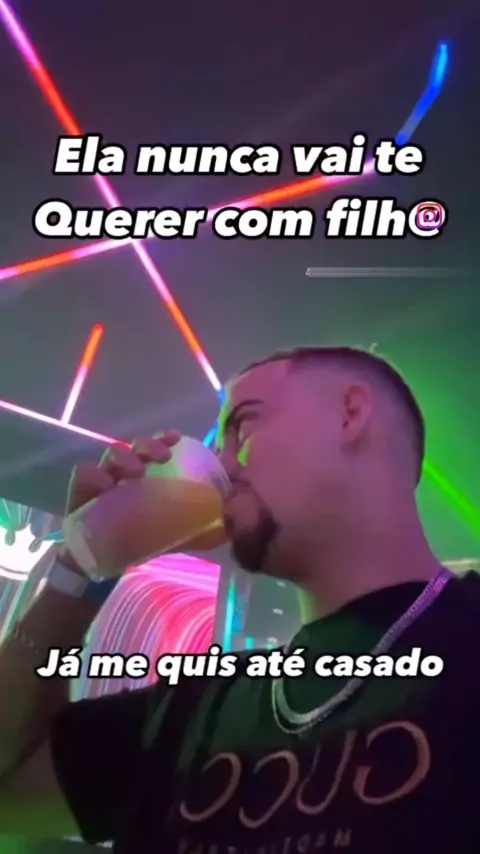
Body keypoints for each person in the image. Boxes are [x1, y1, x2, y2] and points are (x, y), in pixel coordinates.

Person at [0, 345, 479, 854]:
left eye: (243, 426)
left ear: (350, 414)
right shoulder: (193, 707)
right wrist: (84, 563)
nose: (222, 466)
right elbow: (10, 787)